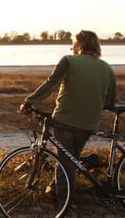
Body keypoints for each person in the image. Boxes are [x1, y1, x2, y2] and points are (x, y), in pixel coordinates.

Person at [20, 30, 116, 202]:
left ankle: (63, 204)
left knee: (64, 162)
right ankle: (57, 190)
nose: (71, 48)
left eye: (73, 44)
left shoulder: (69, 61)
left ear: (80, 45)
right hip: (89, 123)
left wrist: (29, 102)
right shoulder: (107, 68)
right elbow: (109, 102)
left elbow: (50, 85)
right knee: (70, 160)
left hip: (64, 120)